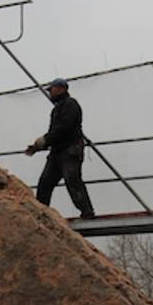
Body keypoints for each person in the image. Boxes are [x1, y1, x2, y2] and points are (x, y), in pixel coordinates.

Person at [24, 78, 95, 219]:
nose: (51, 93)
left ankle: (87, 212)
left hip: (69, 150)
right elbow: (55, 133)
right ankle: (41, 213)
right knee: (45, 182)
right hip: (58, 152)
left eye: (52, 89)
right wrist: (39, 146)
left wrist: (44, 140)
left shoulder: (70, 105)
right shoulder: (58, 108)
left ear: (61, 88)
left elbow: (63, 129)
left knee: (72, 181)